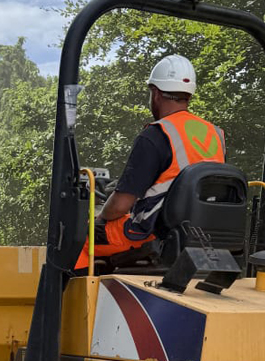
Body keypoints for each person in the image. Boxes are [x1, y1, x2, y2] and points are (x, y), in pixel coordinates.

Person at [75, 54, 226, 272]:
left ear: (155, 93)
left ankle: (71, 303)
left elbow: (119, 206)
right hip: (204, 233)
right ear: (188, 95)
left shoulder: (156, 134)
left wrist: (100, 218)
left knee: (78, 237)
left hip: (155, 233)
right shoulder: (216, 135)